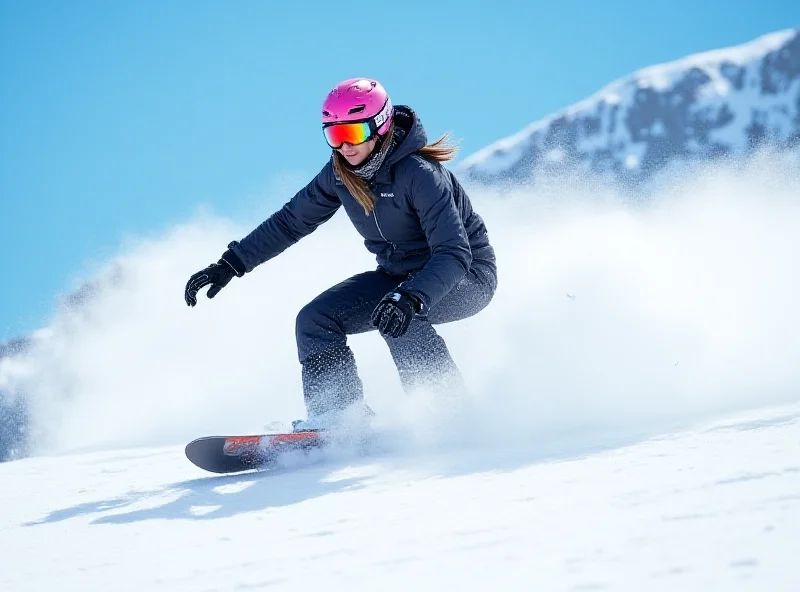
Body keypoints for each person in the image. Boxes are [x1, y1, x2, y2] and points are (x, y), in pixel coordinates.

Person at [184, 78, 497, 432]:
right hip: (399, 279)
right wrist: (231, 264)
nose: (344, 146)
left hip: (466, 276)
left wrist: (411, 297)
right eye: (334, 135)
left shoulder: (419, 175)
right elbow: (291, 222)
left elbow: (454, 253)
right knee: (314, 320)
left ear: (380, 125)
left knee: (397, 317)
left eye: (352, 132)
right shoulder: (340, 174)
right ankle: (339, 418)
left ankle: (447, 411)